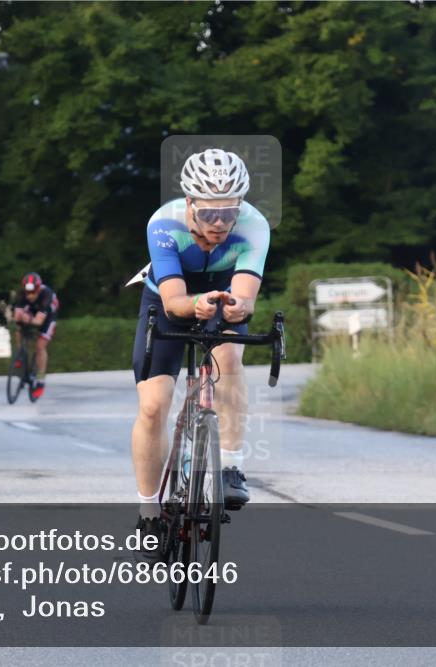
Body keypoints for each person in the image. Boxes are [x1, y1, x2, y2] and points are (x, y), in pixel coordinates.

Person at [130, 149, 270, 560]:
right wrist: (196, 305)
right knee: (153, 406)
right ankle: (149, 511)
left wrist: (238, 307)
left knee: (228, 359)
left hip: (221, 298)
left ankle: (230, 465)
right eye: (209, 213)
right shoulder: (163, 223)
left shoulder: (255, 226)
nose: (221, 224)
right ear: (189, 203)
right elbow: (174, 302)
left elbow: (245, 297)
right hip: (167, 300)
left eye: (229, 212)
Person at [12, 272, 59, 400]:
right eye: (27, 293)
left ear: (38, 289)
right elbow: (17, 317)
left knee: (40, 346)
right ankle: (21, 355)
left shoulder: (46, 295)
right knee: (19, 328)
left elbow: (38, 322)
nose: (30, 296)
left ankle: (40, 379)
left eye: (33, 293)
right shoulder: (22, 295)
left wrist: (29, 319)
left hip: (48, 316)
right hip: (33, 311)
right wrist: (21, 318)